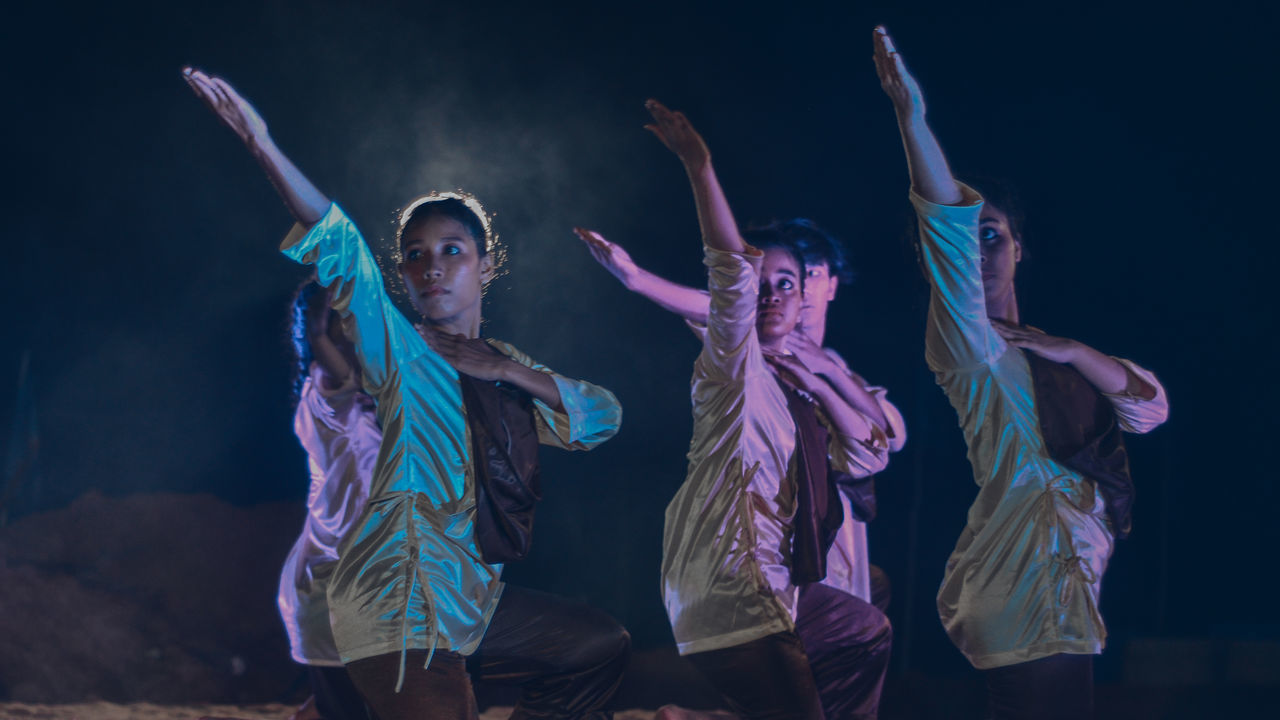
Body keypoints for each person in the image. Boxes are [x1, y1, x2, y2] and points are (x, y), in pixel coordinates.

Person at [183, 68, 629, 720]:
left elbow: (603, 418)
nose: (433, 267)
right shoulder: (401, 354)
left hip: (467, 601)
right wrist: (262, 143)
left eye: (452, 250)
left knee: (598, 646)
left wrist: (510, 373)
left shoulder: (506, 369)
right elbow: (341, 246)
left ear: (487, 265)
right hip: (394, 599)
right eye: (416, 256)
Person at [873, 26, 1169, 720]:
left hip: (1059, 564)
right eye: (969, 237)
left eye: (994, 234)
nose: (980, 248)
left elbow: (1150, 408)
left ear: (1021, 247)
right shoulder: (964, 340)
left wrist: (1071, 352)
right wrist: (912, 119)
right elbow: (947, 225)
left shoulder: (1049, 349)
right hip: (1022, 560)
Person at [632, 98, 891, 720]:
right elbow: (729, 273)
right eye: (762, 282)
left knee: (866, 631)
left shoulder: (807, 387)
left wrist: (823, 380)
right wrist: (700, 168)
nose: (771, 293)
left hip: (782, 583)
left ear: (806, 299)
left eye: (787, 284)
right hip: (731, 581)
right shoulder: (733, 361)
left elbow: (871, 448)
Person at [576, 218, 903, 612]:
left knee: (846, 622)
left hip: (831, 524)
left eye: (810, 274)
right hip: (764, 528)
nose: (797, 287)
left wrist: (827, 374)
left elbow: (887, 436)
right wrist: (637, 278)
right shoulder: (749, 346)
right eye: (768, 279)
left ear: (829, 284)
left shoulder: (835, 367)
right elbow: (719, 306)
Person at [278, 280, 382, 720]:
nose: (357, 331)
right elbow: (337, 372)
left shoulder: (368, 402)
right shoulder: (328, 394)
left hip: (364, 590)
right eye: (344, 324)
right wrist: (320, 333)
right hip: (332, 592)